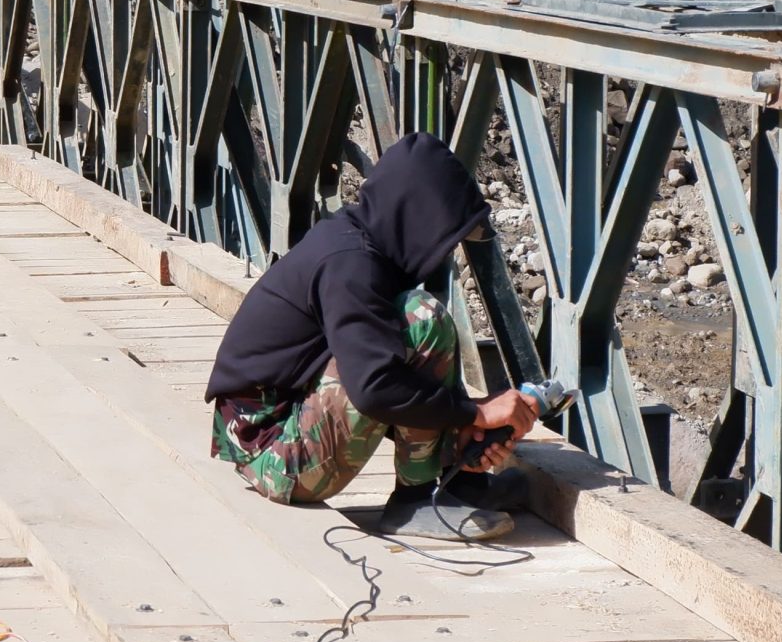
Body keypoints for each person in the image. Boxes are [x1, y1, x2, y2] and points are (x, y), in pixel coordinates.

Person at [204, 132, 544, 542]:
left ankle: (459, 483)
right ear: (417, 218)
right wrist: (475, 413)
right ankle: (414, 501)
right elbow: (374, 387)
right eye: (445, 238)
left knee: (410, 333)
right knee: (422, 319)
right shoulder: (351, 265)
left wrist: (461, 428)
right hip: (275, 455)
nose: (445, 252)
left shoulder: (360, 246)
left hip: (279, 425)